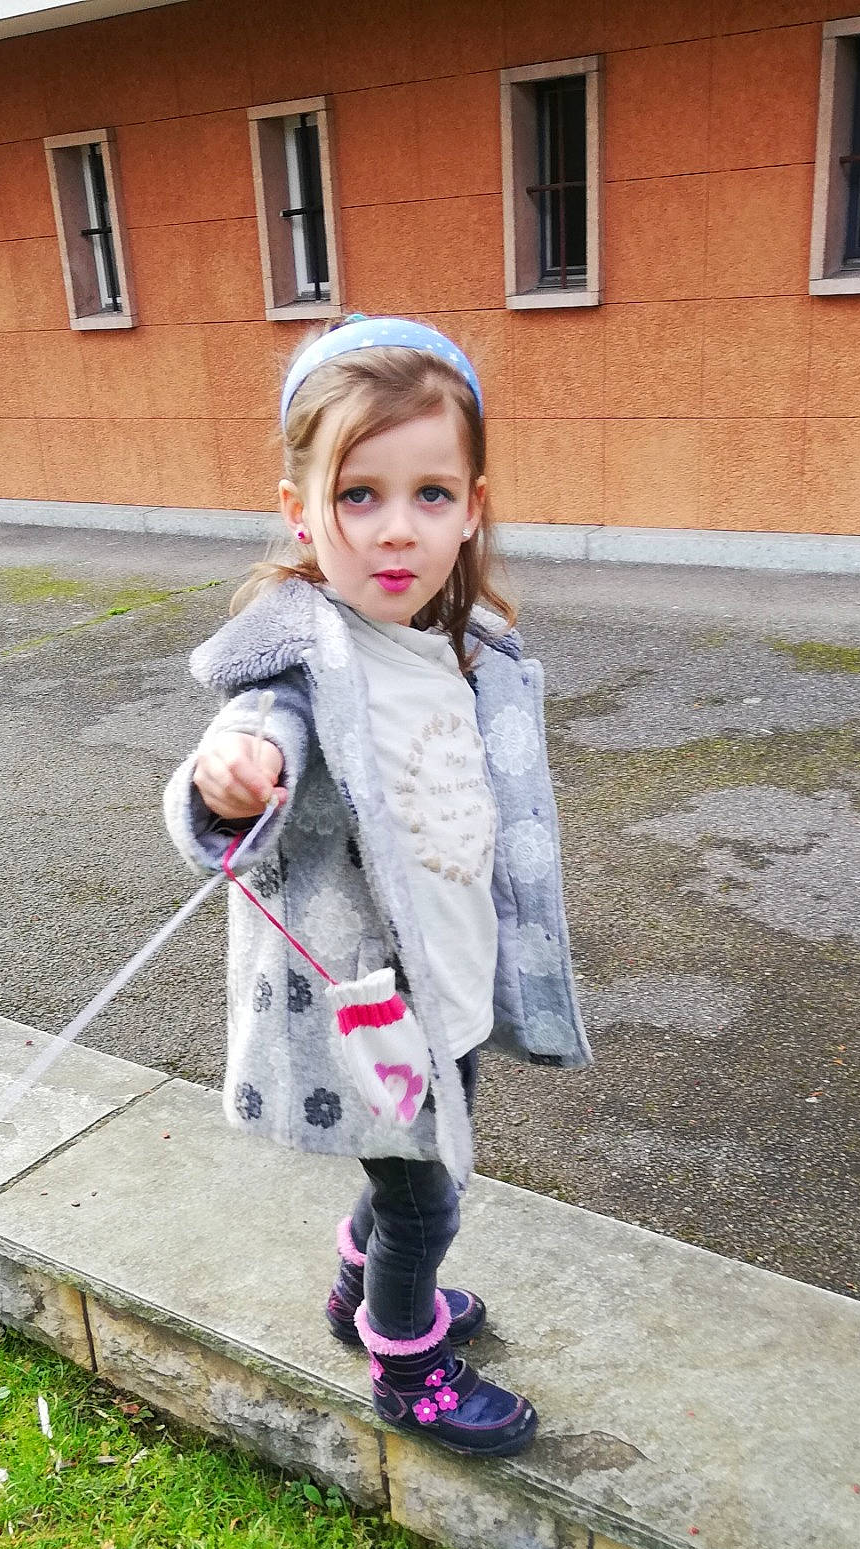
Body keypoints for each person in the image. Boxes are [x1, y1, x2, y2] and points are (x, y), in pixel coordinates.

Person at [164, 315, 590, 1459]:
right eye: (360, 495)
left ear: (474, 503)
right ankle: (407, 1367)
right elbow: (247, 745)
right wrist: (230, 779)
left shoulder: (460, 647)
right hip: (367, 1013)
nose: (398, 528)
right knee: (426, 1197)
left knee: (417, 1174)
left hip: (444, 994)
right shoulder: (299, 668)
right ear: (302, 510)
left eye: (431, 494)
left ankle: (361, 1285)